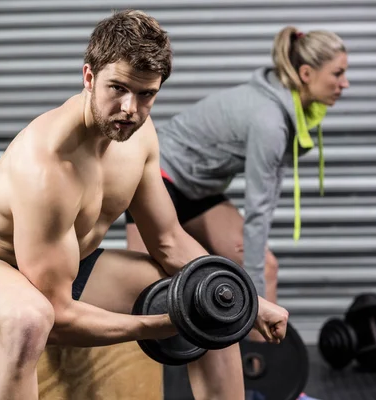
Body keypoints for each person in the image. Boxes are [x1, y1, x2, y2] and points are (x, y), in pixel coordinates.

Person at [0, 10, 288, 400]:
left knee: (206, 294)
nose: (130, 108)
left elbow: (168, 240)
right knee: (29, 320)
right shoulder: (47, 163)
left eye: (146, 94)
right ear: (89, 77)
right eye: (118, 88)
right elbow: (57, 315)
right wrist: (159, 324)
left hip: (68, 267)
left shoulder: (140, 137)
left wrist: (248, 301)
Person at [125, 26, 349, 400]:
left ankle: (267, 383)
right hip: (157, 177)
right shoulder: (270, 120)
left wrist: (257, 297)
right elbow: (259, 213)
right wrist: (256, 302)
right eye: (338, 73)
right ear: (306, 74)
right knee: (146, 291)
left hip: (198, 190)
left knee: (266, 267)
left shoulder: (290, 109)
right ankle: (141, 389)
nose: (345, 83)